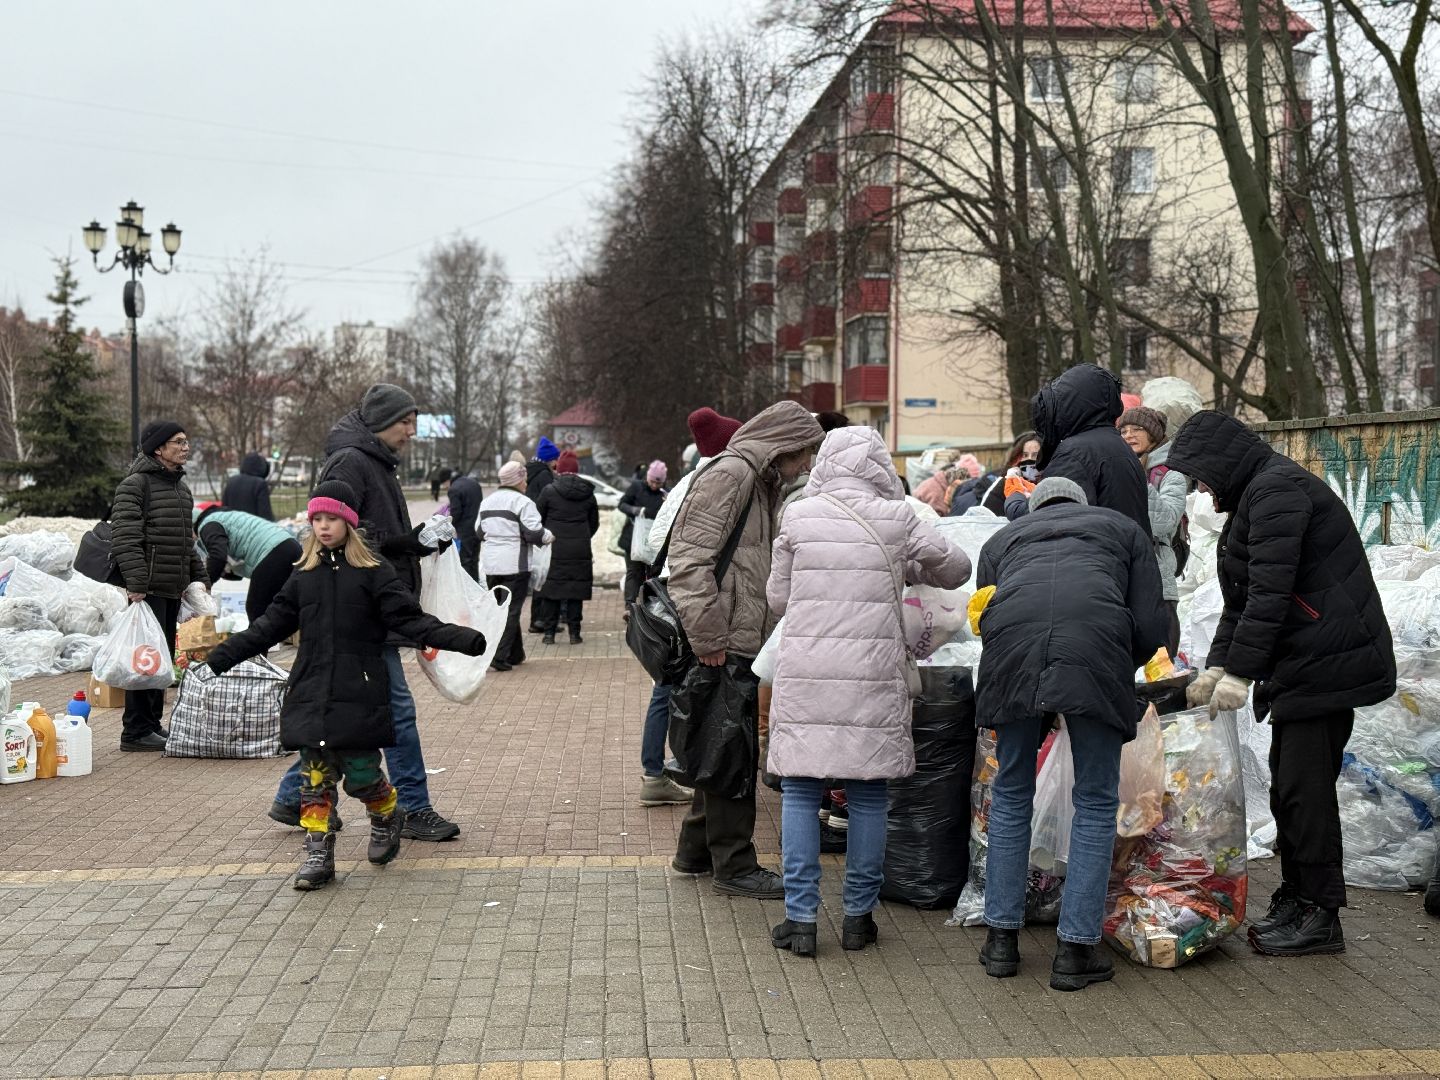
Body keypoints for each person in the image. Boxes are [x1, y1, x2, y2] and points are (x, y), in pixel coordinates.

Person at [1168, 411, 1397, 956]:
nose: (1202, 490)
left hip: (1326, 660)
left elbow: (1271, 594)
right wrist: (1216, 668)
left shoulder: (1277, 492)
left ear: (1221, 463)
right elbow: (1241, 600)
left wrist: (1241, 673)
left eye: (1202, 477)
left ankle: (1321, 913)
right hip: (1306, 658)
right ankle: (1299, 896)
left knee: (1304, 791)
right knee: (1289, 789)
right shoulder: (1258, 494)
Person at [206, 482, 486, 891]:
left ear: (349, 523)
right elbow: (270, 625)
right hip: (311, 692)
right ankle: (318, 855)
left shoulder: (374, 572)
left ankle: (386, 814)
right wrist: (220, 657)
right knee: (315, 782)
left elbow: (409, 619)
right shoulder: (303, 575)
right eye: (317, 519)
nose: (323, 527)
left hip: (359, 692)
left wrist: (463, 639)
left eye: (331, 519)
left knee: (362, 777)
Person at [766, 426, 971, 957]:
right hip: (873, 673)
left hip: (808, 672)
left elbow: (778, 599)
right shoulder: (898, 517)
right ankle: (859, 917)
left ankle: (801, 919)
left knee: (800, 790)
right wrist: (906, 564)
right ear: (878, 465)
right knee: (869, 794)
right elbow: (957, 569)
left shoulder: (798, 515)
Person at [973, 476, 1166, 991]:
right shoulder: (1122, 530)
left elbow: (984, 615)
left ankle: (1001, 941)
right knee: (1096, 799)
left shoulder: (1001, 540)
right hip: (1096, 650)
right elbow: (1152, 625)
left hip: (1012, 656)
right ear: (1082, 505)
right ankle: (1076, 951)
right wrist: (1111, 668)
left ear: (1036, 509)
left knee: (1011, 792)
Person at [269, 383, 462, 844]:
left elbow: (368, 532)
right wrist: (404, 544)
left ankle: (294, 797)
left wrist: (412, 542)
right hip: (360, 606)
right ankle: (412, 808)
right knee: (394, 711)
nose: (411, 431)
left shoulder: (374, 461)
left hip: (369, 602)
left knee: (355, 713)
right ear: (380, 421)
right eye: (405, 422)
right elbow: (334, 531)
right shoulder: (351, 461)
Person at [668, 400, 825, 899]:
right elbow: (689, 561)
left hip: (739, 635)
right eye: (804, 453)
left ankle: (695, 851)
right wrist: (709, 637)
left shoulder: (756, 479)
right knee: (732, 750)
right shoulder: (732, 474)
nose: (806, 464)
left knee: (722, 744)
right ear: (783, 445)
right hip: (725, 638)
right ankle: (734, 866)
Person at [637, 407, 742, 808]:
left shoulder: (684, 483)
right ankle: (686, 769)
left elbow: (654, 542)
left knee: (665, 687)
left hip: (668, 593)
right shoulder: (721, 483)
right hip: (694, 596)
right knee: (692, 688)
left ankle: (655, 773)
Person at [110, 421, 210, 752]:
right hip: (148, 589)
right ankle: (135, 731)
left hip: (172, 587)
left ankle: (151, 724)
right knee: (144, 660)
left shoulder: (181, 489)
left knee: (161, 658)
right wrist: (136, 583)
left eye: (186, 441)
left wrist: (199, 578)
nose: (185, 447)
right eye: (178, 442)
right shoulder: (135, 486)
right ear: (158, 448)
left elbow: (186, 542)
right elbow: (126, 537)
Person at [1005, 364, 1150, 535]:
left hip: (1098, 548)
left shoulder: (1074, 454)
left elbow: (1047, 517)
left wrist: (1015, 497)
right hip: (1124, 546)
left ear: (1069, 407)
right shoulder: (1117, 444)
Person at [1118, 406, 1187, 658]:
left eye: (1137, 429)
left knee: (1160, 657)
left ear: (1154, 435)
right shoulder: (1114, 468)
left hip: (1158, 573)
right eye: (1123, 431)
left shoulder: (1171, 475)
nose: (1129, 435)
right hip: (1120, 570)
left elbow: (1166, 521)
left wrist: (1137, 479)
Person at [480, 461, 554, 670]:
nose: (526, 483)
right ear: (518, 480)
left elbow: (479, 531)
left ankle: (515, 653)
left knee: (500, 609)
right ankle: (499, 656)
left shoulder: (487, 502)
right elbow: (534, 533)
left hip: (491, 565)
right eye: (524, 479)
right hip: (515, 565)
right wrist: (548, 536)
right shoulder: (522, 502)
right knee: (511, 610)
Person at [534, 450, 599, 645]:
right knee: (575, 592)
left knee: (551, 591)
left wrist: (547, 537)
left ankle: (549, 634)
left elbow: (537, 518)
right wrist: (582, 537)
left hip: (554, 548)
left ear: (559, 469)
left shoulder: (549, 491)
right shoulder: (588, 493)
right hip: (579, 549)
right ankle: (574, 634)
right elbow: (594, 523)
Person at [193, 506, 304, 620]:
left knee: (257, 609)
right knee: (282, 605)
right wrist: (220, 570)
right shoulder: (221, 518)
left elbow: (218, 557)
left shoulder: (207, 525)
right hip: (290, 546)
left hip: (273, 551)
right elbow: (226, 562)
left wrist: (203, 586)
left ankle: (264, 632)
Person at [950, 432, 1041, 517]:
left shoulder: (1047, 485)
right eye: (1025, 455)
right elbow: (987, 518)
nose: (1029, 459)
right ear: (1017, 458)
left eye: (1035, 455)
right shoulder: (1005, 483)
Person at [618, 461, 668, 604]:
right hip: (634, 539)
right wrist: (634, 510)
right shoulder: (636, 487)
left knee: (654, 574)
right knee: (634, 572)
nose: (654, 485)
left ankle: (649, 605)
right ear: (647, 477)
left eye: (658, 483)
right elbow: (622, 504)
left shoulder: (666, 493)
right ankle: (630, 605)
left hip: (654, 541)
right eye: (652, 481)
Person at [446, 472, 484, 581]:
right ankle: (475, 583)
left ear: (447, 481)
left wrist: (449, 525)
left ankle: (467, 586)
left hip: (464, 530)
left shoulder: (454, 489)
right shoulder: (474, 484)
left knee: (465, 560)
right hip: (477, 527)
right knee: (474, 559)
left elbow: (456, 512)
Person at [223, 452, 275, 520]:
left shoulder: (231, 481)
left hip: (232, 524)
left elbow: (224, 508)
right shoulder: (260, 484)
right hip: (253, 525)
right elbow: (265, 513)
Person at [527, 438, 560, 504]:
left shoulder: (530, 469)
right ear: (552, 461)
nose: (557, 463)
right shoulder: (545, 475)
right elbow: (551, 499)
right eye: (556, 459)